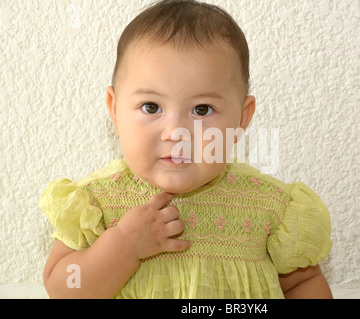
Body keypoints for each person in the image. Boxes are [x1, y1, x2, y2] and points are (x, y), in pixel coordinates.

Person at [40, 0, 332, 299]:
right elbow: (64, 290)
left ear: (241, 118)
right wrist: (123, 246)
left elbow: (302, 283)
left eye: (202, 109)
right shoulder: (94, 203)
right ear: (114, 110)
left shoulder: (270, 206)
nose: (176, 133)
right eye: (151, 107)